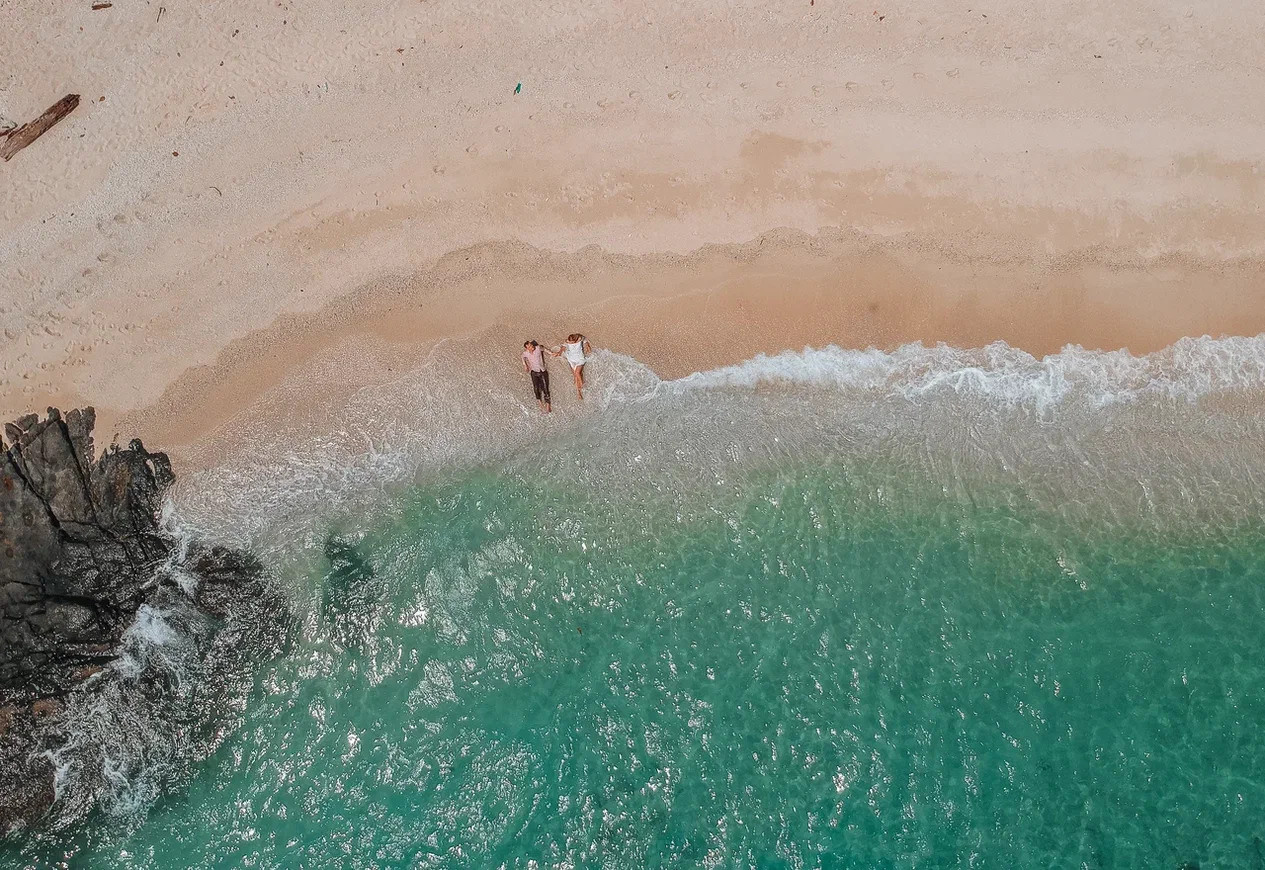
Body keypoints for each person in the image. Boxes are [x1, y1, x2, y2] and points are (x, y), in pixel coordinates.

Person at [552, 333, 592, 400]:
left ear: (575, 340)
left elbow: (584, 339)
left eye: (572, 342)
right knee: (575, 377)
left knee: (577, 373)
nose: (570, 343)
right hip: (571, 359)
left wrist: (587, 345)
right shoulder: (567, 341)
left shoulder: (579, 339)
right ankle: (579, 393)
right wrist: (559, 353)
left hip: (580, 359)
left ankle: (583, 386)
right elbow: (563, 348)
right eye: (570, 341)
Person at [522, 340, 551, 413]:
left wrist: (551, 353)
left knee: (545, 388)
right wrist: (525, 365)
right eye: (530, 346)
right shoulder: (526, 353)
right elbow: (522, 356)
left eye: (532, 345)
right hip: (534, 372)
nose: (532, 346)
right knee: (536, 388)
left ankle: (548, 406)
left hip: (542, 371)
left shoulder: (537, 348)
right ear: (527, 348)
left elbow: (544, 349)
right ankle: (540, 403)